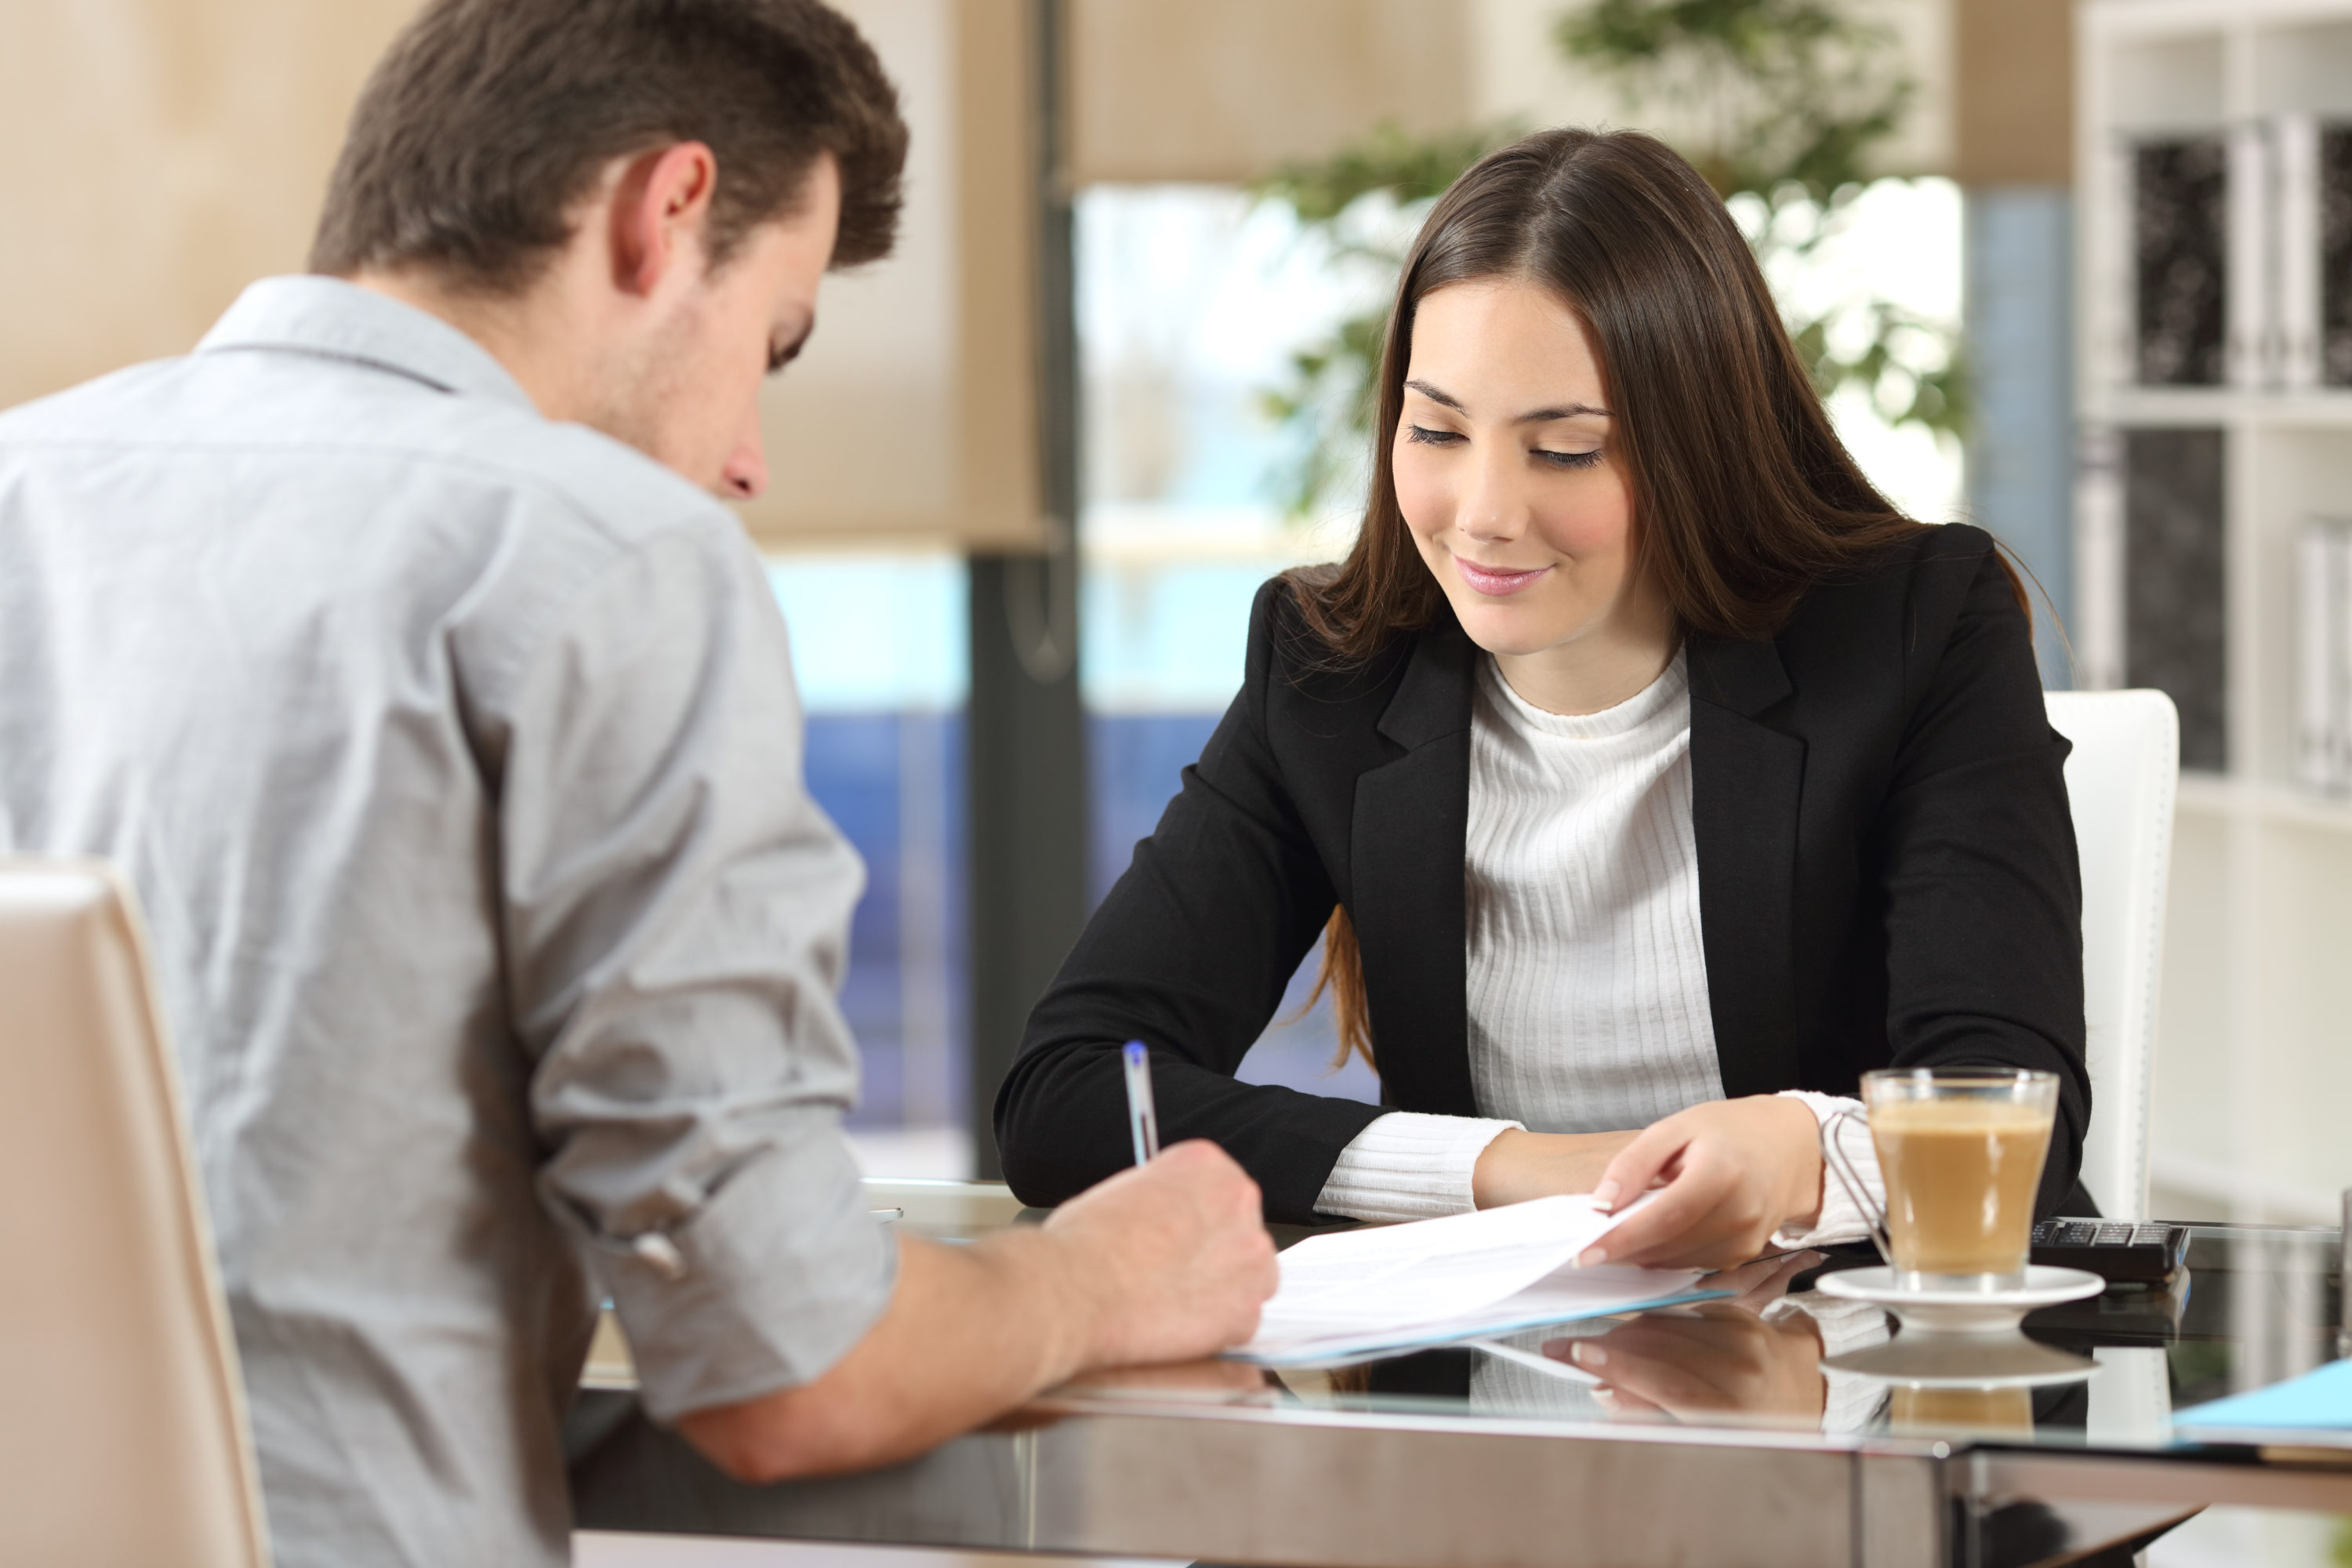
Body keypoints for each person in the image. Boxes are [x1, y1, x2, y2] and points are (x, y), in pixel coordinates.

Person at [0, 3, 1275, 1564]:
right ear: (662, 211)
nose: (750, 459)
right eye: (774, 345)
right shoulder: (601, 553)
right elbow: (786, 1367)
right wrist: (1103, 1275)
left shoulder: (25, 486)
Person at [995, 127, 2092, 1265]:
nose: (1481, 514)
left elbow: (2023, 1126)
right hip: (1488, 1390)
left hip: (1860, 1381)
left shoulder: (1912, 628)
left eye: (1562, 450)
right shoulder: (1327, 671)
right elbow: (1069, 1095)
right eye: (1437, 431)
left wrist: (1800, 1149)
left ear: (1696, 448)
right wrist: (1510, 1166)